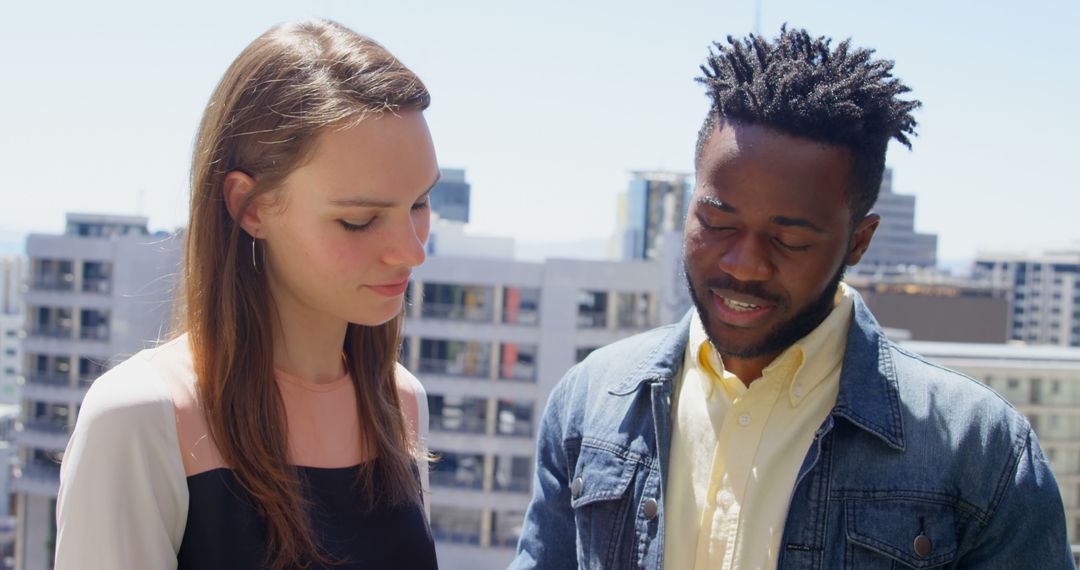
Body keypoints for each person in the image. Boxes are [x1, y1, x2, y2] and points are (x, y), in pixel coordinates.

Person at [512, 27, 1073, 569]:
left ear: (860, 240)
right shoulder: (592, 400)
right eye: (717, 223)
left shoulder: (980, 448)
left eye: (791, 239)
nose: (745, 265)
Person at [55, 20, 439, 570]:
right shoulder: (141, 417)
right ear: (250, 206)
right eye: (359, 220)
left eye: (420, 204)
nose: (411, 250)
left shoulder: (400, 403)